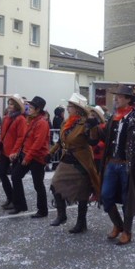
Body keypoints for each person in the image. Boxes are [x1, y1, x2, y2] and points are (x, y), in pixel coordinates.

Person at [94, 84, 135, 245]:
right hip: (112, 163)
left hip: (127, 165)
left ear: (128, 99)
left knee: (128, 200)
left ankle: (127, 231)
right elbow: (106, 137)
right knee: (105, 196)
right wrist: (95, 128)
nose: (115, 99)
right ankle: (118, 225)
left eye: (119, 96)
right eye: (116, 96)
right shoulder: (114, 116)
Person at [49, 93, 100, 233]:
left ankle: (81, 223)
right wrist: (51, 152)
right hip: (67, 158)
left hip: (81, 160)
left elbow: (93, 141)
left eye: (70, 106)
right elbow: (61, 141)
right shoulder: (66, 122)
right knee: (55, 185)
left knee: (83, 192)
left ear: (77, 109)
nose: (67, 108)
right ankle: (62, 215)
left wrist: (93, 127)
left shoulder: (85, 123)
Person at [9, 96, 50, 218]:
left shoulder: (42, 122)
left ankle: (42, 210)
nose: (29, 108)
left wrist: (28, 157)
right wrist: (18, 152)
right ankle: (20, 205)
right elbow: (25, 138)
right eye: (29, 106)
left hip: (37, 157)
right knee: (15, 176)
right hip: (27, 154)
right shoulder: (31, 120)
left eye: (31, 107)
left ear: (38, 109)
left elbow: (38, 143)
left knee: (38, 184)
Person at [0, 94, 27, 210]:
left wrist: (14, 151)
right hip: (5, 150)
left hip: (14, 152)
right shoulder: (7, 118)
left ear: (16, 106)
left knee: (14, 177)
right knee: (1, 172)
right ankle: (10, 197)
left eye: (11, 104)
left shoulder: (20, 119)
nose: (9, 106)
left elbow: (21, 137)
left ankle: (16, 201)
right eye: (8, 104)